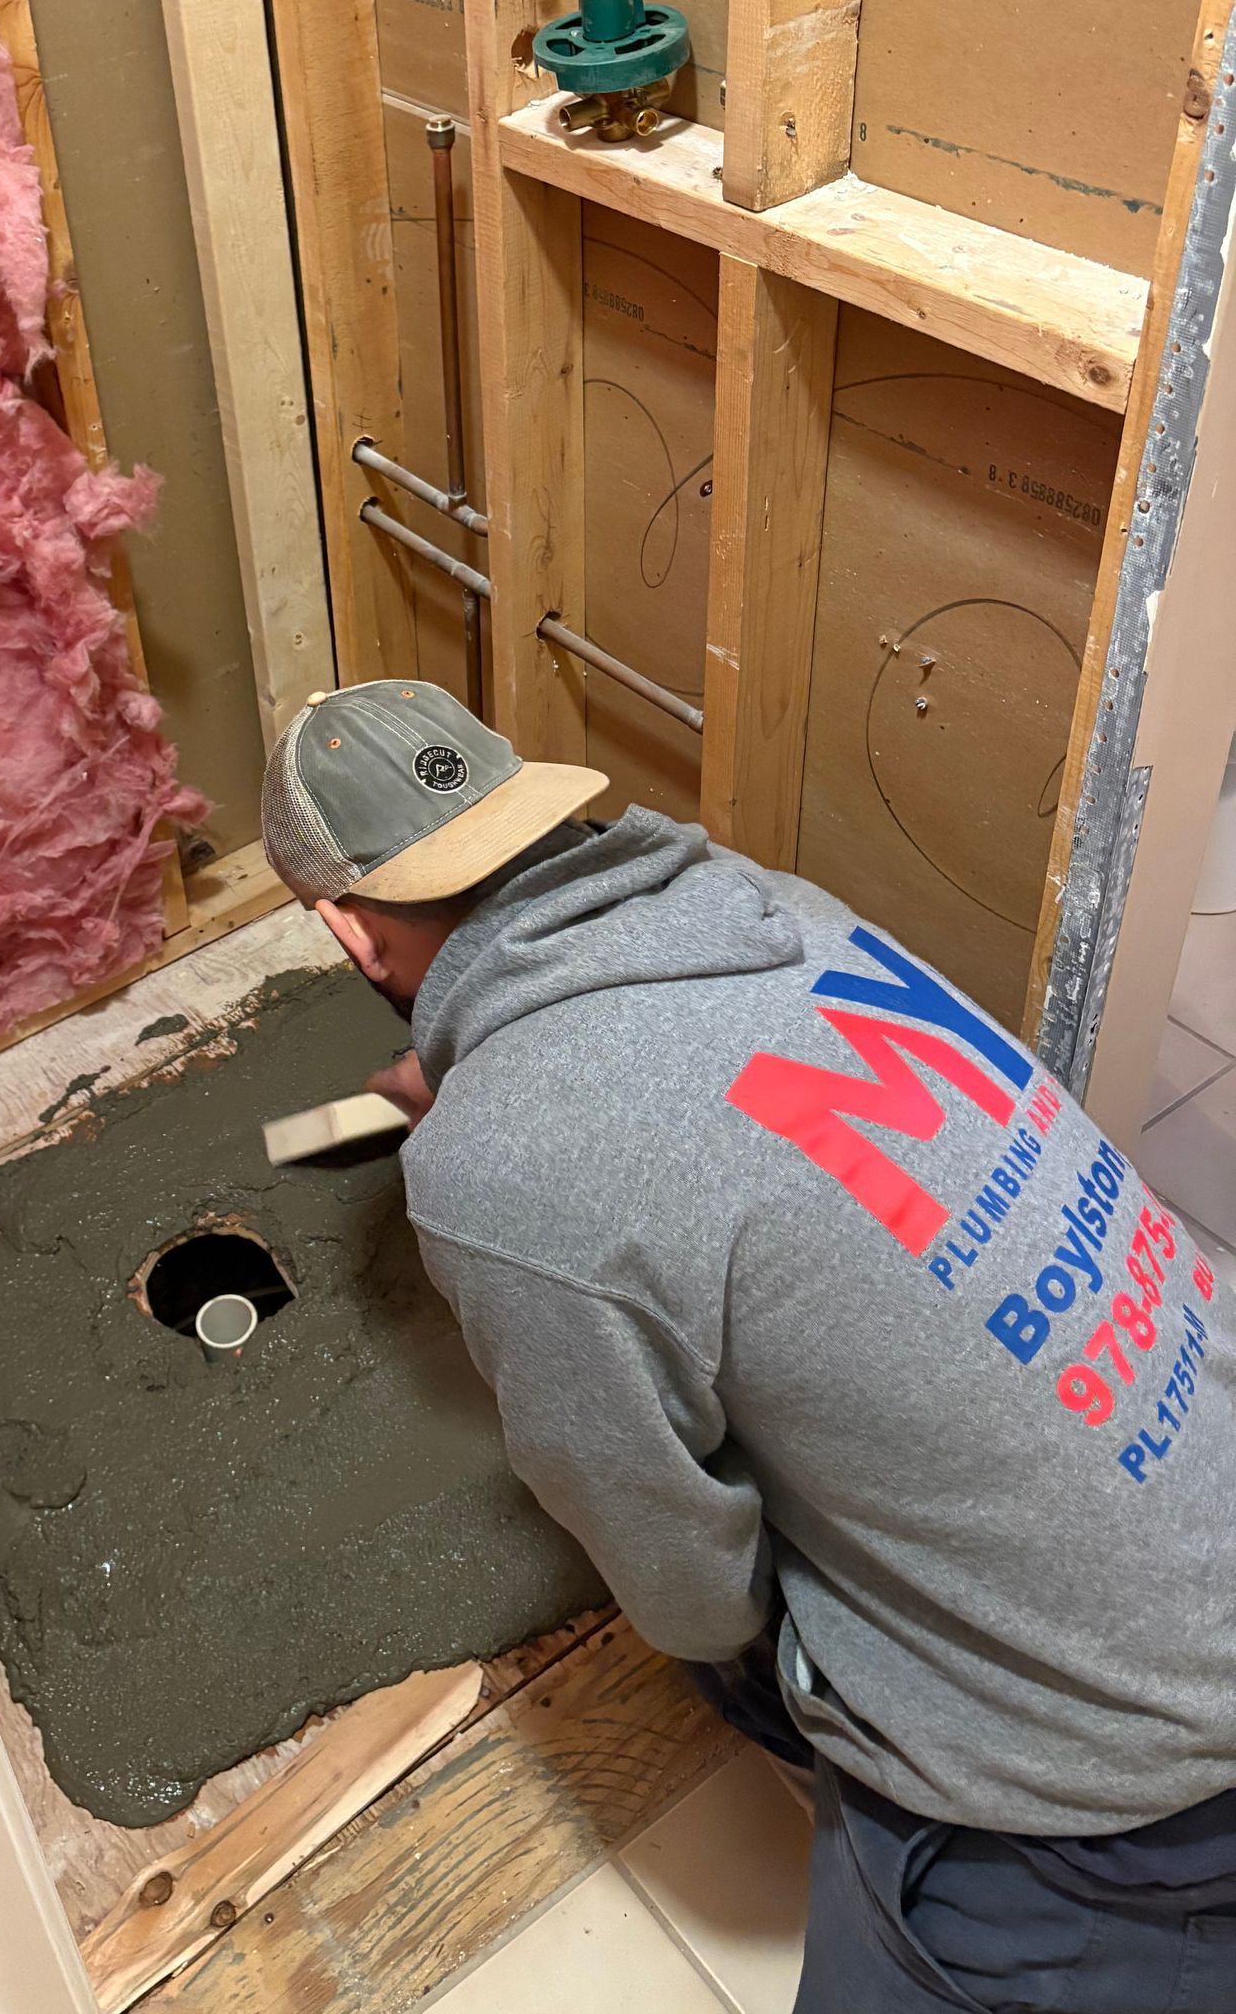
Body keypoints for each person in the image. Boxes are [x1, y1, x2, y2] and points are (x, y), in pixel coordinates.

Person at [260, 677, 1236, 2014]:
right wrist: (492, 1061)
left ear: (344, 930)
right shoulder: (763, 908)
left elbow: (684, 1584)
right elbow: (700, 1098)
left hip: (1130, 1763)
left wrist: (502, 1129)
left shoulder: (498, 1173)